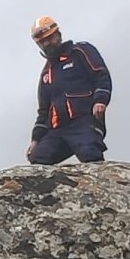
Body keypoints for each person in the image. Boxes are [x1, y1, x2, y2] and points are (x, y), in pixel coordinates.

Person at [26, 16, 112, 165]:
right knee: (37, 159)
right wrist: (35, 139)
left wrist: (100, 101)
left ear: (57, 34)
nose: (47, 43)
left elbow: (101, 75)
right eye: (42, 42)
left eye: (49, 38)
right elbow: (43, 111)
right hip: (57, 130)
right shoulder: (47, 73)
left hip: (85, 121)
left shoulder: (80, 51)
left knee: (90, 155)